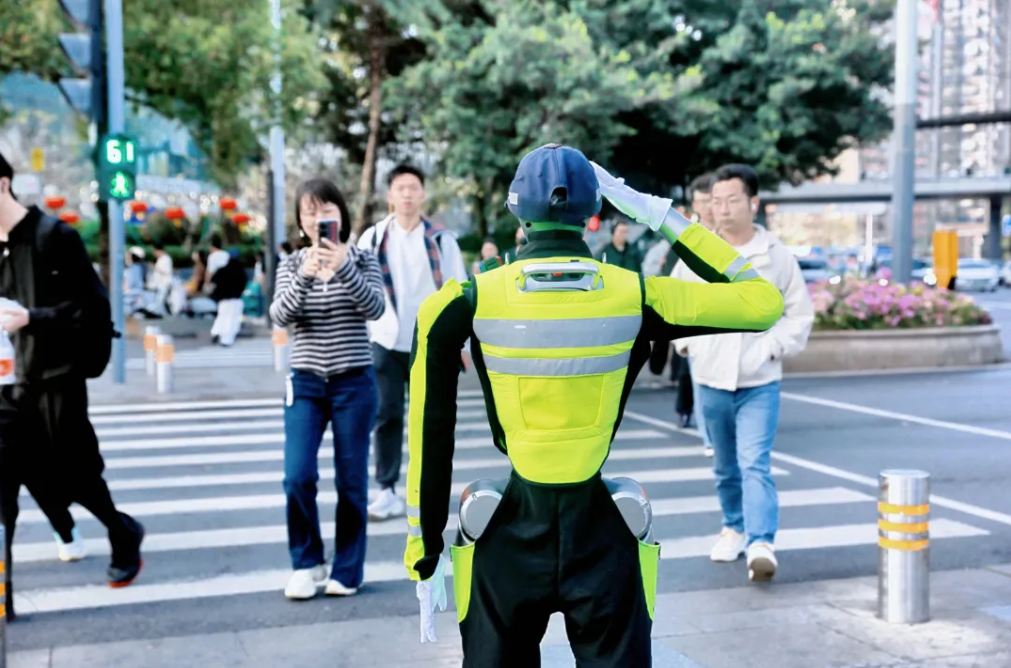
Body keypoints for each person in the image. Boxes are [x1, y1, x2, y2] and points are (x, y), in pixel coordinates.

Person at [404, 144, 784, 666]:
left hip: (508, 536)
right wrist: (655, 211)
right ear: (594, 211)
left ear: (517, 210)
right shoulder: (637, 292)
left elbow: (429, 431)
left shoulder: (463, 299)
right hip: (605, 536)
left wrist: (424, 553)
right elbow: (762, 300)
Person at [0, 153, 145, 611]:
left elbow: (92, 311)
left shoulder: (54, 237)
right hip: (8, 385)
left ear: (3, 183)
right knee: (11, 481)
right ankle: (9, 595)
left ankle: (122, 533)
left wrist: (33, 318)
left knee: (77, 474)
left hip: (56, 380)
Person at [674, 164, 813, 582]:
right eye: (716, 201)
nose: (723, 208)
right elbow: (677, 300)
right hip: (710, 377)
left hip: (759, 381)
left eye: (732, 199)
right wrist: (689, 347)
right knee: (724, 464)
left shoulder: (776, 255)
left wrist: (772, 349)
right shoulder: (698, 251)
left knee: (755, 462)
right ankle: (733, 527)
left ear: (754, 203)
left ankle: (761, 541)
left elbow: (798, 313)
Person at [270, 178, 385, 600]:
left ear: (341, 215)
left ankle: (348, 568)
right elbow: (279, 316)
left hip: (354, 381)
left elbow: (375, 307)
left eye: (327, 210)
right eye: (310, 213)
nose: (319, 219)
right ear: (301, 222)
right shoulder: (290, 264)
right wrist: (305, 275)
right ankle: (307, 562)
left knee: (352, 482)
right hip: (305, 381)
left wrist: (343, 268)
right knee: (297, 475)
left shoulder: (363, 258)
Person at [356, 164, 469, 521]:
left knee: (429, 420)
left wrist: (461, 345)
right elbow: (359, 292)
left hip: (430, 342)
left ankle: (426, 491)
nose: (407, 194)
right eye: (400, 188)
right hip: (385, 341)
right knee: (386, 416)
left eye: (413, 187)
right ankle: (386, 489)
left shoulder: (440, 239)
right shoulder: (372, 239)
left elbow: (458, 290)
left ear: (423, 194)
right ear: (390, 195)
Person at [673, 172, 717, 455]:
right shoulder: (691, 237)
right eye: (702, 201)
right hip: (700, 330)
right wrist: (683, 340)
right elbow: (677, 287)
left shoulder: (735, 238)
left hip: (731, 328)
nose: (708, 207)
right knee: (702, 393)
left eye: (711, 200)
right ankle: (711, 440)